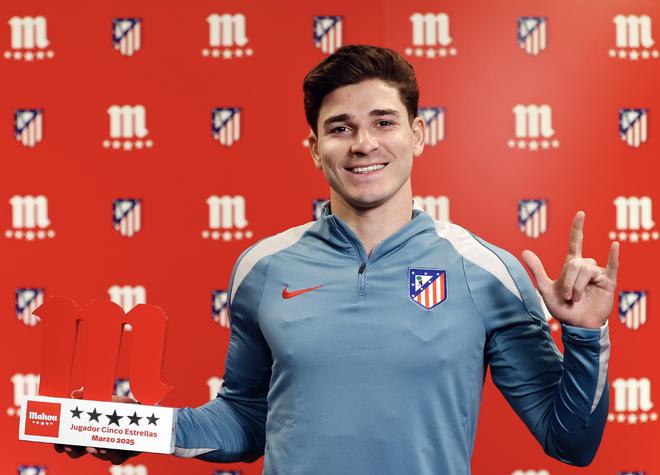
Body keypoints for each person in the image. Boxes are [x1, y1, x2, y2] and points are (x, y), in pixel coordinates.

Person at [58, 45, 619, 474]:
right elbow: (246, 420)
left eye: (383, 122)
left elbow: (571, 442)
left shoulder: (487, 271)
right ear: (314, 148)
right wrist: (134, 428)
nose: (363, 144)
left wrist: (586, 335)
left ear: (417, 135)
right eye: (340, 128)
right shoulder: (263, 266)